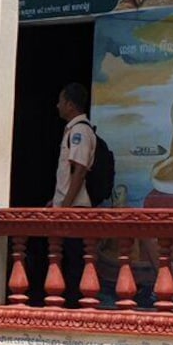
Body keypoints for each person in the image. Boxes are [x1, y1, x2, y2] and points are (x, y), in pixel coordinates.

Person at [54, 83, 97, 306]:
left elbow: (79, 171)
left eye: (61, 101)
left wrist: (65, 208)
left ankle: (73, 307)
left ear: (70, 105)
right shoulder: (73, 130)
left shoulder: (80, 131)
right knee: (66, 261)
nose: (58, 105)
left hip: (74, 209)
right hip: (68, 206)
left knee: (73, 264)